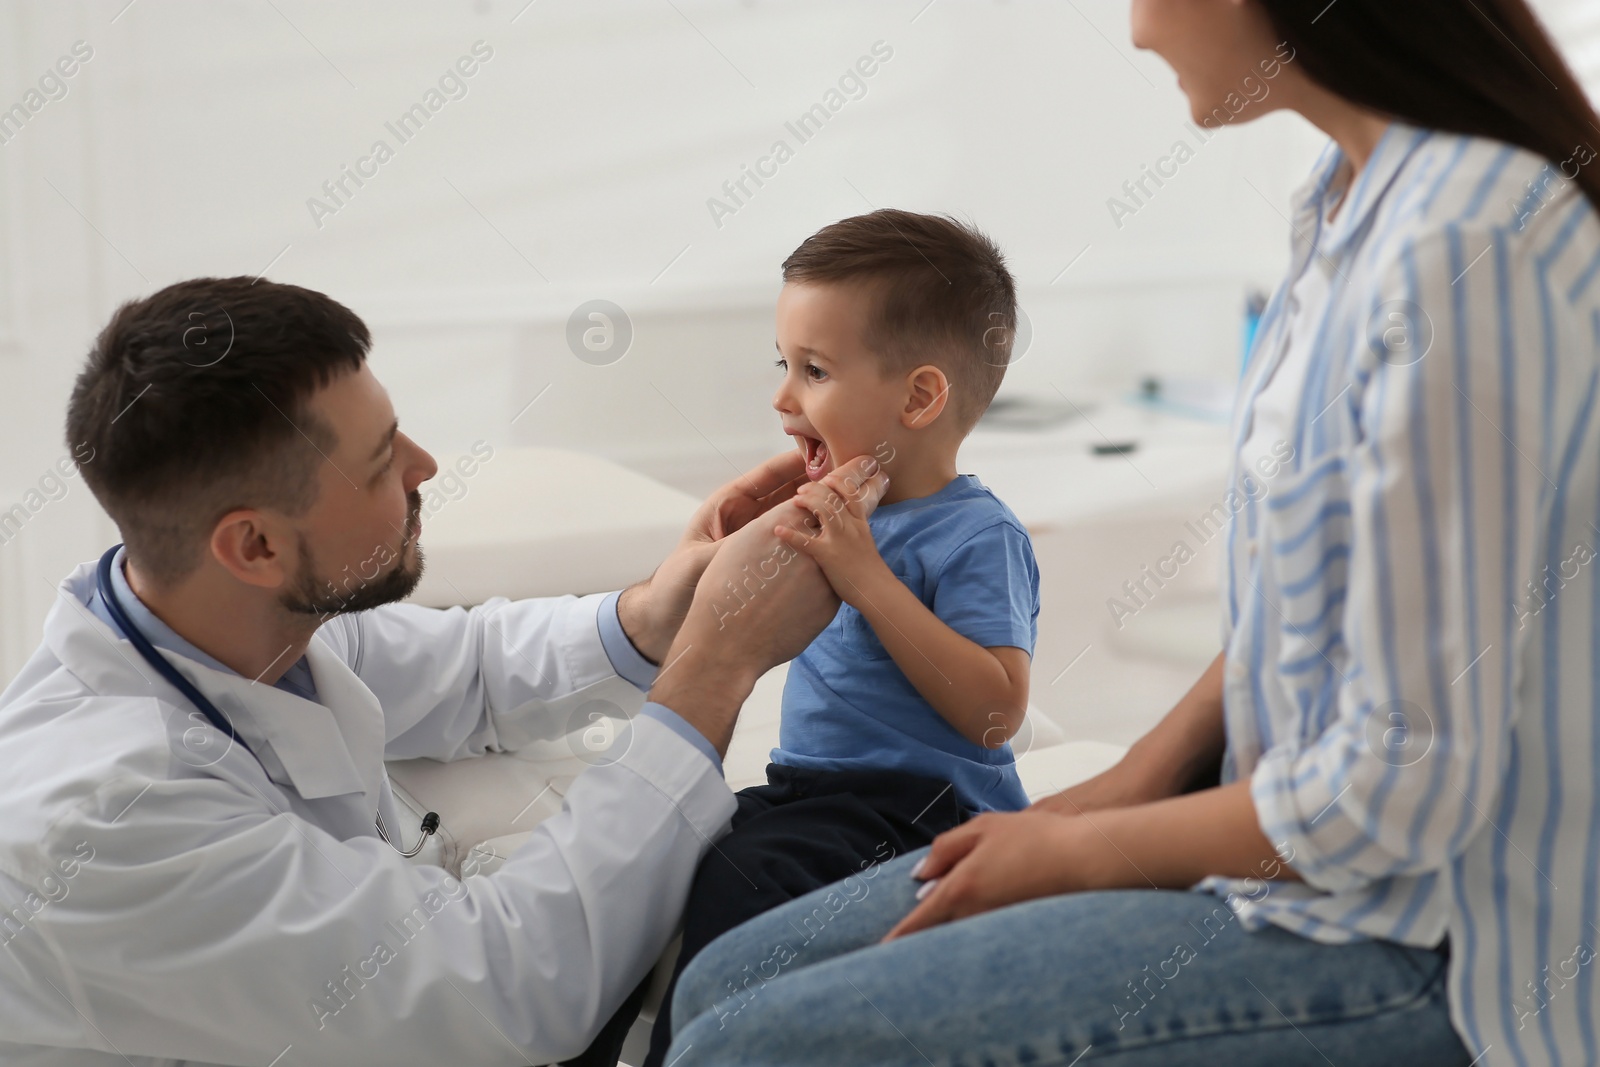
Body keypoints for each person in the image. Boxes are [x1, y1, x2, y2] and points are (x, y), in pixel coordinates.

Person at [663, 0, 1600, 1064]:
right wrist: (1098, 800)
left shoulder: (1462, 245)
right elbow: (1302, 623)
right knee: (722, 980)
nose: (1137, 30)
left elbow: (1401, 785)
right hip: (1306, 869)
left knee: (749, 1044)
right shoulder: (1341, 211)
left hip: (1435, 944)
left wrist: (1087, 850)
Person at [0, 275, 888, 1066]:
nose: (426, 466)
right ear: (256, 544)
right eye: (382, 460)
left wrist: (657, 614)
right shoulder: (110, 819)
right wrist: (717, 664)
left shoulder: (220, 620)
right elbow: (510, 991)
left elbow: (468, 670)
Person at [634, 210, 1040, 1067]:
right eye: (784, 366)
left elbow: (997, 714)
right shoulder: (828, 512)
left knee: (740, 884)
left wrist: (867, 578)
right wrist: (720, 550)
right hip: (812, 793)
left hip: (920, 810)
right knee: (649, 863)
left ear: (921, 396)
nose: (783, 399)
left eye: (814, 371)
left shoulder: (976, 535)